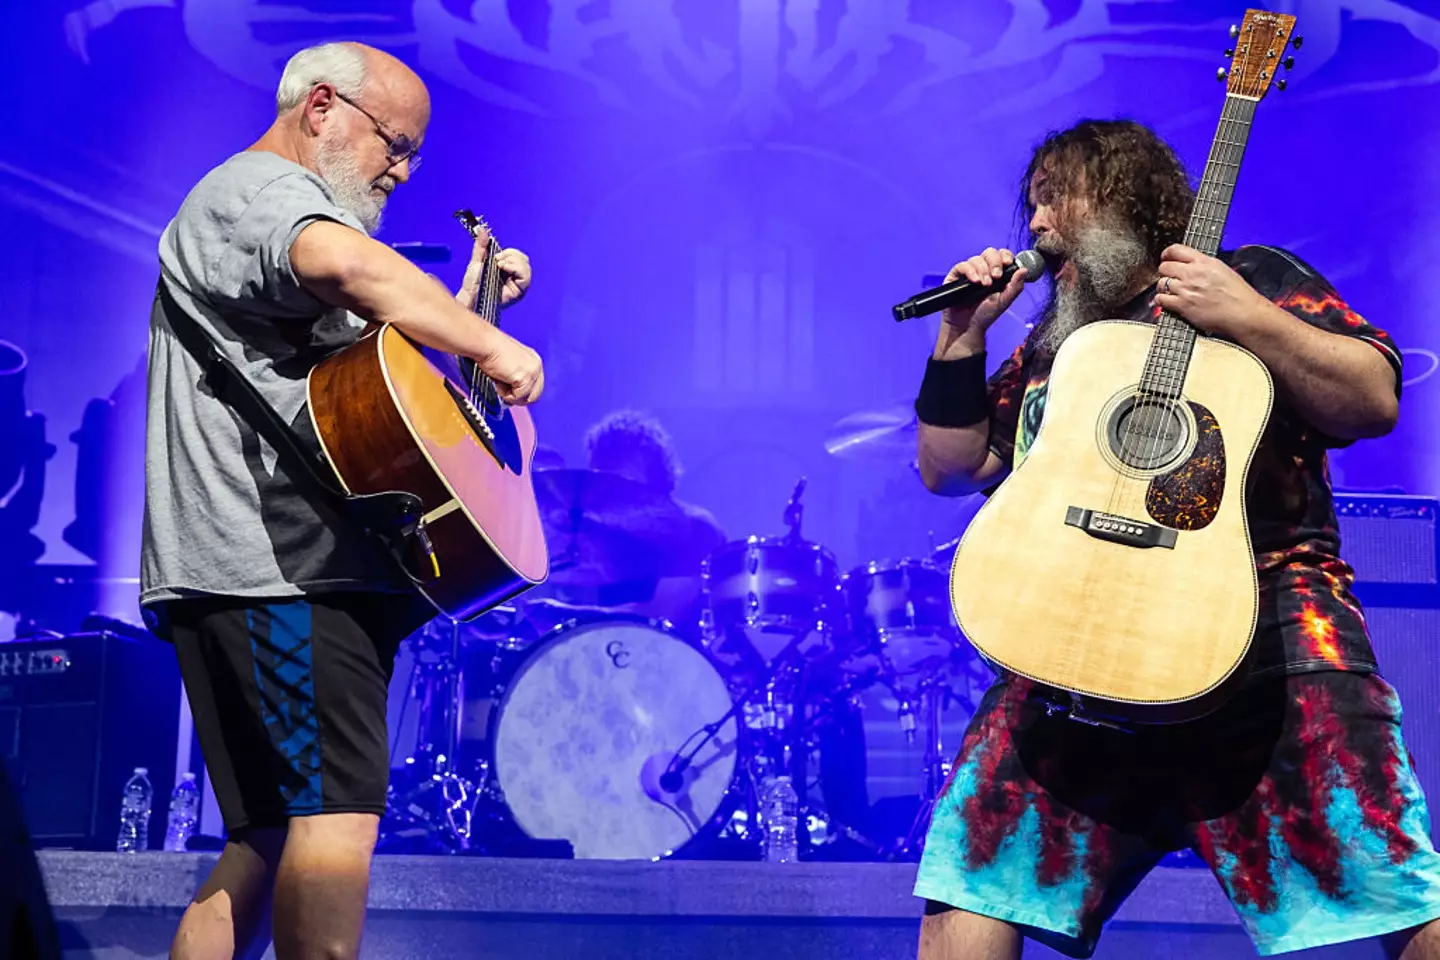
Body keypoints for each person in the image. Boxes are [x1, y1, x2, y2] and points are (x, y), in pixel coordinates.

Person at [911, 119, 1439, 959]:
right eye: (1032, 202)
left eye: (1058, 194)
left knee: (1397, 892)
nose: (1037, 221)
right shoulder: (1061, 343)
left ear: (1127, 198)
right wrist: (962, 335)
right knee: (966, 888)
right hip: (1074, 652)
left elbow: (1374, 397)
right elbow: (952, 466)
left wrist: (1248, 316)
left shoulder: (1255, 277)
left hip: (1268, 650)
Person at [140, 42, 543, 960]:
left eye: (412, 157)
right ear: (321, 107)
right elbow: (348, 267)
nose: (400, 171)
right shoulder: (260, 193)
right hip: (278, 574)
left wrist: (472, 307)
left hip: (257, 574)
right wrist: (485, 339)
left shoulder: (275, 215)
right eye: (393, 144)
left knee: (268, 838)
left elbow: (369, 386)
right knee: (334, 825)